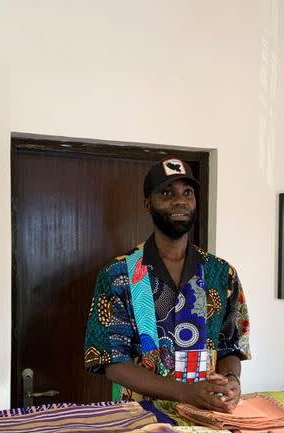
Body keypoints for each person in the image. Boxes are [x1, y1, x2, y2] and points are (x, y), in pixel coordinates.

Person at [84, 157, 250, 412]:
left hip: (207, 416)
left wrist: (232, 381)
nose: (180, 201)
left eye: (188, 193)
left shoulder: (221, 273)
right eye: (166, 193)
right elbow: (113, 362)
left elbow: (231, 346)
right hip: (138, 420)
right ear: (148, 204)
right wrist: (185, 392)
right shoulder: (118, 274)